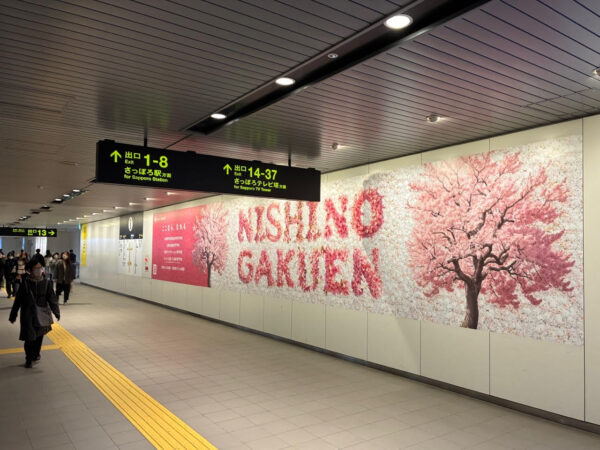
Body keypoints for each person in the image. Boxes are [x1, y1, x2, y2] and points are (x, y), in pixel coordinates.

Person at [9, 259, 60, 368]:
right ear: (30, 270)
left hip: (41, 313)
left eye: (40, 268)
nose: (38, 270)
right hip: (28, 314)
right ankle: (28, 358)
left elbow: (52, 298)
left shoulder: (46, 283)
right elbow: (18, 300)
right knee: (29, 337)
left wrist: (56, 311)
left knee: (39, 336)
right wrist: (13, 314)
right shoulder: (25, 283)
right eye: (36, 268)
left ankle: (36, 354)